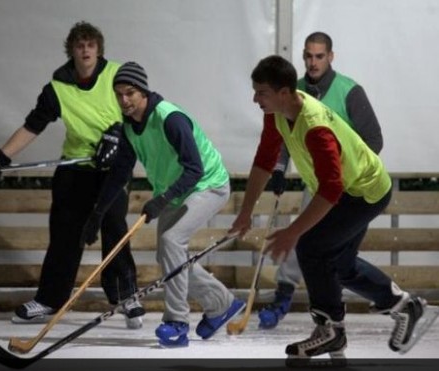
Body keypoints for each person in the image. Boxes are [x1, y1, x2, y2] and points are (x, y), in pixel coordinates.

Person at [229, 55, 432, 361]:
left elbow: (331, 190)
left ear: (283, 93)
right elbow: (264, 160)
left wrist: (293, 232)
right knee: (340, 265)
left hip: (365, 192)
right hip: (351, 190)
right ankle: (405, 306)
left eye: (261, 92)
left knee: (311, 246)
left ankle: (330, 330)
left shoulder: (315, 128)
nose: (255, 98)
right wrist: (245, 212)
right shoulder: (277, 113)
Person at [0, 21, 145, 329]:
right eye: (80, 45)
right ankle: (50, 299)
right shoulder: (58, 86)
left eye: (91, 45)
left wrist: (117, 133)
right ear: (72, 51)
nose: (85, 50)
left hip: (112, 170)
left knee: (114, 226)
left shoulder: (117, 75)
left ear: (99, 49)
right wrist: (1, 155)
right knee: (65, 233)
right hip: (75, 168)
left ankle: (125, 295)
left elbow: (139, 112)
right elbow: (33, 125)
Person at [81, 61, 245, 347]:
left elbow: (194, 169)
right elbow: (119, 174)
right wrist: (97, 213)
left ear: (143, 91)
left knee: (171, 242)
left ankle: (176, 322)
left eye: (130, 93)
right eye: (119, 94)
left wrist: (162, 200)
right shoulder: (129, 129)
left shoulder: (170, 118)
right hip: (177, 191)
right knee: (168, 257)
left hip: (208, 184)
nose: (124, 100)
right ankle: (221, 303)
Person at [258, 31, 384, 329]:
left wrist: (347, 172)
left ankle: (381, 299)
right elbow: (284, 137)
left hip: (353, 190)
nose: (312, 62)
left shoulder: (349, 91)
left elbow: (373, 140)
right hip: (318, 187)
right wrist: (278, 169)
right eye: (307, 56)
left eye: (319, 56)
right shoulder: (292, 90)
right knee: (304, 237)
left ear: (330, 57)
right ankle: (285, 295)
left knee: (338, 255)